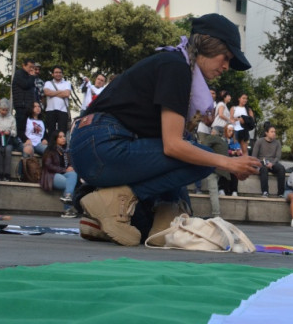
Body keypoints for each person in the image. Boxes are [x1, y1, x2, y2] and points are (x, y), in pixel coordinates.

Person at [70, 13, 260, 246]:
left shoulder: (175, 65)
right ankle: (114, 201)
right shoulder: (176, 67)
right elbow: (173, 146)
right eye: (226, 57)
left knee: (153, 227)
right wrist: (228, 163)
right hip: (102, 144)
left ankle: (100, 220)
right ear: (208, 45)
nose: (226, 67)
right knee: (203, 160)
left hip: (92, 146)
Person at [41, 130, 78, 218]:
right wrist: (65, 170)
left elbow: (70, 164)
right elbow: (48, 165)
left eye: (64, 136)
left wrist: (70, 167)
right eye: (60, 137)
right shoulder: (50, 150)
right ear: (55, 139)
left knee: (73, 174)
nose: (63, 138)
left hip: (63, 173)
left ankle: (68, 197)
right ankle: (67, 210)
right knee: (69, 183)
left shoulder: (66, 151)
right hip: (51, 175)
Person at [251, 125, 285, 198]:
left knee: (281, 168)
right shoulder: (259, 141)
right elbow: (254, 156)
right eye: (272, 132)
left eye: (274, 132)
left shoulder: (277, 143)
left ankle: (281, 193)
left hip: (273, 163)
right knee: (264, 169)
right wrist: (261, 162)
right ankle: (265, 192)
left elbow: (278, 157)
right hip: (261, 162)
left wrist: (272, 163)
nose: (274, 133)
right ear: (266, 133)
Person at [43, 66, 72, 136]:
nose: (58, 74)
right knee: (51, 132)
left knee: (62, 132)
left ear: (62, 74)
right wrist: (60, 92)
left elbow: (67, 94)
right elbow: (47, 93)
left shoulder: (67, 83)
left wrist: (52, 93)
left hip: (63, 110)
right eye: (56, 72)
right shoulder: (48, 83)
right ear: (52, 74)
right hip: (50, 110)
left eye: (60, 72)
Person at [12, 58, 37, 138]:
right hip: (21, 105)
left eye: (33, 67)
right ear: (24, 65)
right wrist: (32, 77)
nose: (31, 69)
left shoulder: (30, 77)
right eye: (30, 67)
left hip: (28, 105)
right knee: (21, 127)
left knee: (28, 127)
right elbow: (25, 85)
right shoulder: (19, 74)